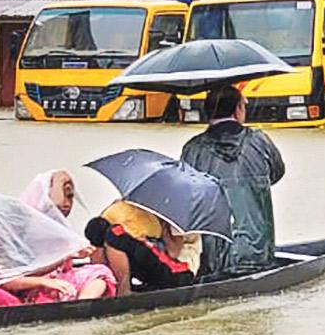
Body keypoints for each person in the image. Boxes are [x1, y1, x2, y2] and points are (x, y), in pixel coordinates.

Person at [0, 186, 114, 307]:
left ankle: (81, 307)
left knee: (98, 273)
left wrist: (68, 256)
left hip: (33, 285)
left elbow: (26, 269)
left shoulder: (2, 241)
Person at [180, 84, 285, 276]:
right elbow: (277, 173)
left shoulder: (192, 149)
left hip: (211, 259)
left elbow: (186, 198)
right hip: (258, 255)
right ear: (238, 111)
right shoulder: (260, 140)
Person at [85, 216, 193, 294]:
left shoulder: (113, 240)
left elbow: (123, 288)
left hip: (177, 280)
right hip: (174, 275)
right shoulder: (119, 235)